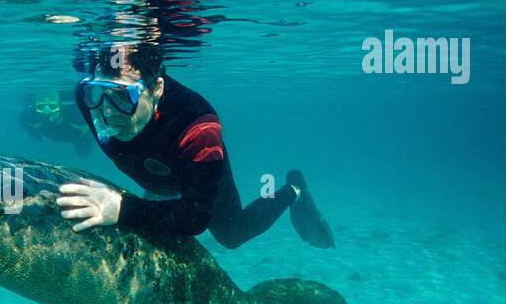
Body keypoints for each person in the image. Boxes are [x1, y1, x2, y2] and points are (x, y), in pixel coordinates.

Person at [55, 43, 334, 249]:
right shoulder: (87, 98)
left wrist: (122, 210)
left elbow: (194, 217)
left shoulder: (199, 125)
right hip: (155, 176)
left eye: (121, 97)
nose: (106, 112)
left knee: (232, 234)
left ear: (157, 89)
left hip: (189, 172)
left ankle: (294, 191)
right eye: (98, 92)